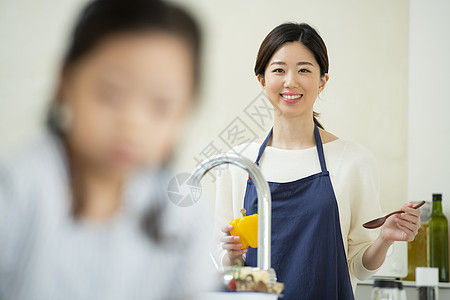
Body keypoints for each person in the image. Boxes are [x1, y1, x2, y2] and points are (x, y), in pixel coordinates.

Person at [0, 0, 215, 299]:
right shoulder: (15, 191)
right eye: (110, 94)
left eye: (162, 105)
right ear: (65, 82)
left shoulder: (184, 214)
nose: (132, 124)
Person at [215, 22, 421, 299]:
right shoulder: (237, 163)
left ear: (322, 80)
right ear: (262, 80)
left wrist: (384, 238)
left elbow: (359, 268)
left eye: (304, 70)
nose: (291, 81)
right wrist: (232, 256)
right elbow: (228, 270)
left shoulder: (353, 161)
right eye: (278, 70)